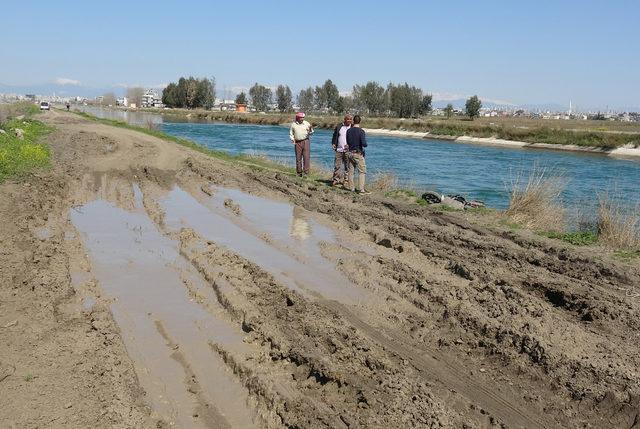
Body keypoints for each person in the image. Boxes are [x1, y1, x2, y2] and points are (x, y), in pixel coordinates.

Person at [346, 115, 371, 194]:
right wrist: (366, 143)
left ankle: (351, 188)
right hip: (358, 154)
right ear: (360, 121)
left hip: (350, 153)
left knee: (351, 171)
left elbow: (348, 141)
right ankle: (361, 190)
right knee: (362, 171)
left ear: (353, 121)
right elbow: (364, 144)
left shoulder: (348, 131)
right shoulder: (361, 131)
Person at [289, 112, 314, 177]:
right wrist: (292, 139)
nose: (302, 119)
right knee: (298, 158)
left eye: (303, 117)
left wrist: (310, 130)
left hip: (306, 141)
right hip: (297, 142)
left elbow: (312, 132)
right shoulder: (293, 124)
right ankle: (299, 172)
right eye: (301, 117)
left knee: (306, 157)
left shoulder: (307, 123)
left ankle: (306, 173)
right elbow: (291, 133)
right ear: (297, 118)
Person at [331, 114, 352, 186]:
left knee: (347, 166)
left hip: (348, 150)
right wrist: (333, 143)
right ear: (344, 119)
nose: (349, 120)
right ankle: (335, 180)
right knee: (337, 166)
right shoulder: (339, 126)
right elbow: (334, 135)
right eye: (348, 119)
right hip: (339, 149)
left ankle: (345, 181)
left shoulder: (352, 127)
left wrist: (350, 145)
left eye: (350, 119)